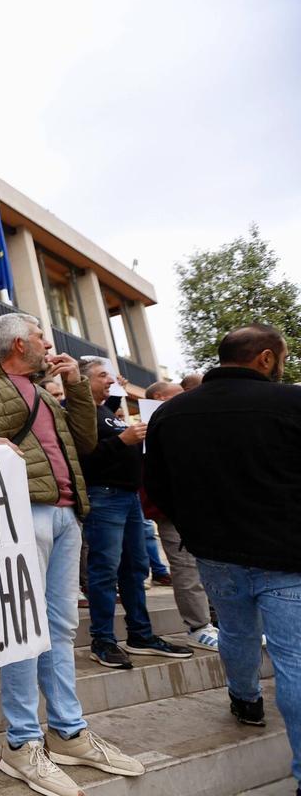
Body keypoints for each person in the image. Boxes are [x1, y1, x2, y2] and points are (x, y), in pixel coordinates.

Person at [0, 312, 144, 796]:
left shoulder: (47, 393)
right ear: (17, 344)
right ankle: (22, 742)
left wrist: (76, 388)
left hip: (67, 516)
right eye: (40, 337)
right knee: (22, 630)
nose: (48, 345)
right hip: (20, 513)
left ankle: (68, 732)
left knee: (61, 627)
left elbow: (85, 442)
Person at [145, 324, 301, 791]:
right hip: (285, 555)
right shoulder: (292, 402)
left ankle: (246, 700)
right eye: (282, 357)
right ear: (266, 358)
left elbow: (158, 487)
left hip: (215, 553)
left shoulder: (171, 413)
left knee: (235, 630)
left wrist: (196, 527)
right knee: (294, 659)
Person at [77, 358, 192, 669]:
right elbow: (82, 459)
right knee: (105, 571)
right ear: (83, 381)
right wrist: (122, 441)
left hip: (127, 498)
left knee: (135, 568)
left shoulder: (105, 411)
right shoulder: (81, 413)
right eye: (103, 375)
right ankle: (103, 640)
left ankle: (140, 634)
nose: (110, 380)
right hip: (104, 497)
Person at [140, 379, 217, 650]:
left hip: (199, 508)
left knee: (212, 566)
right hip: (174, 511)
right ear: (160, 397)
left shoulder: (185, 420)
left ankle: (214, 620)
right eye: (178, 393)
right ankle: (198, 626)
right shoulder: (148, 426)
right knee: (186, 567)